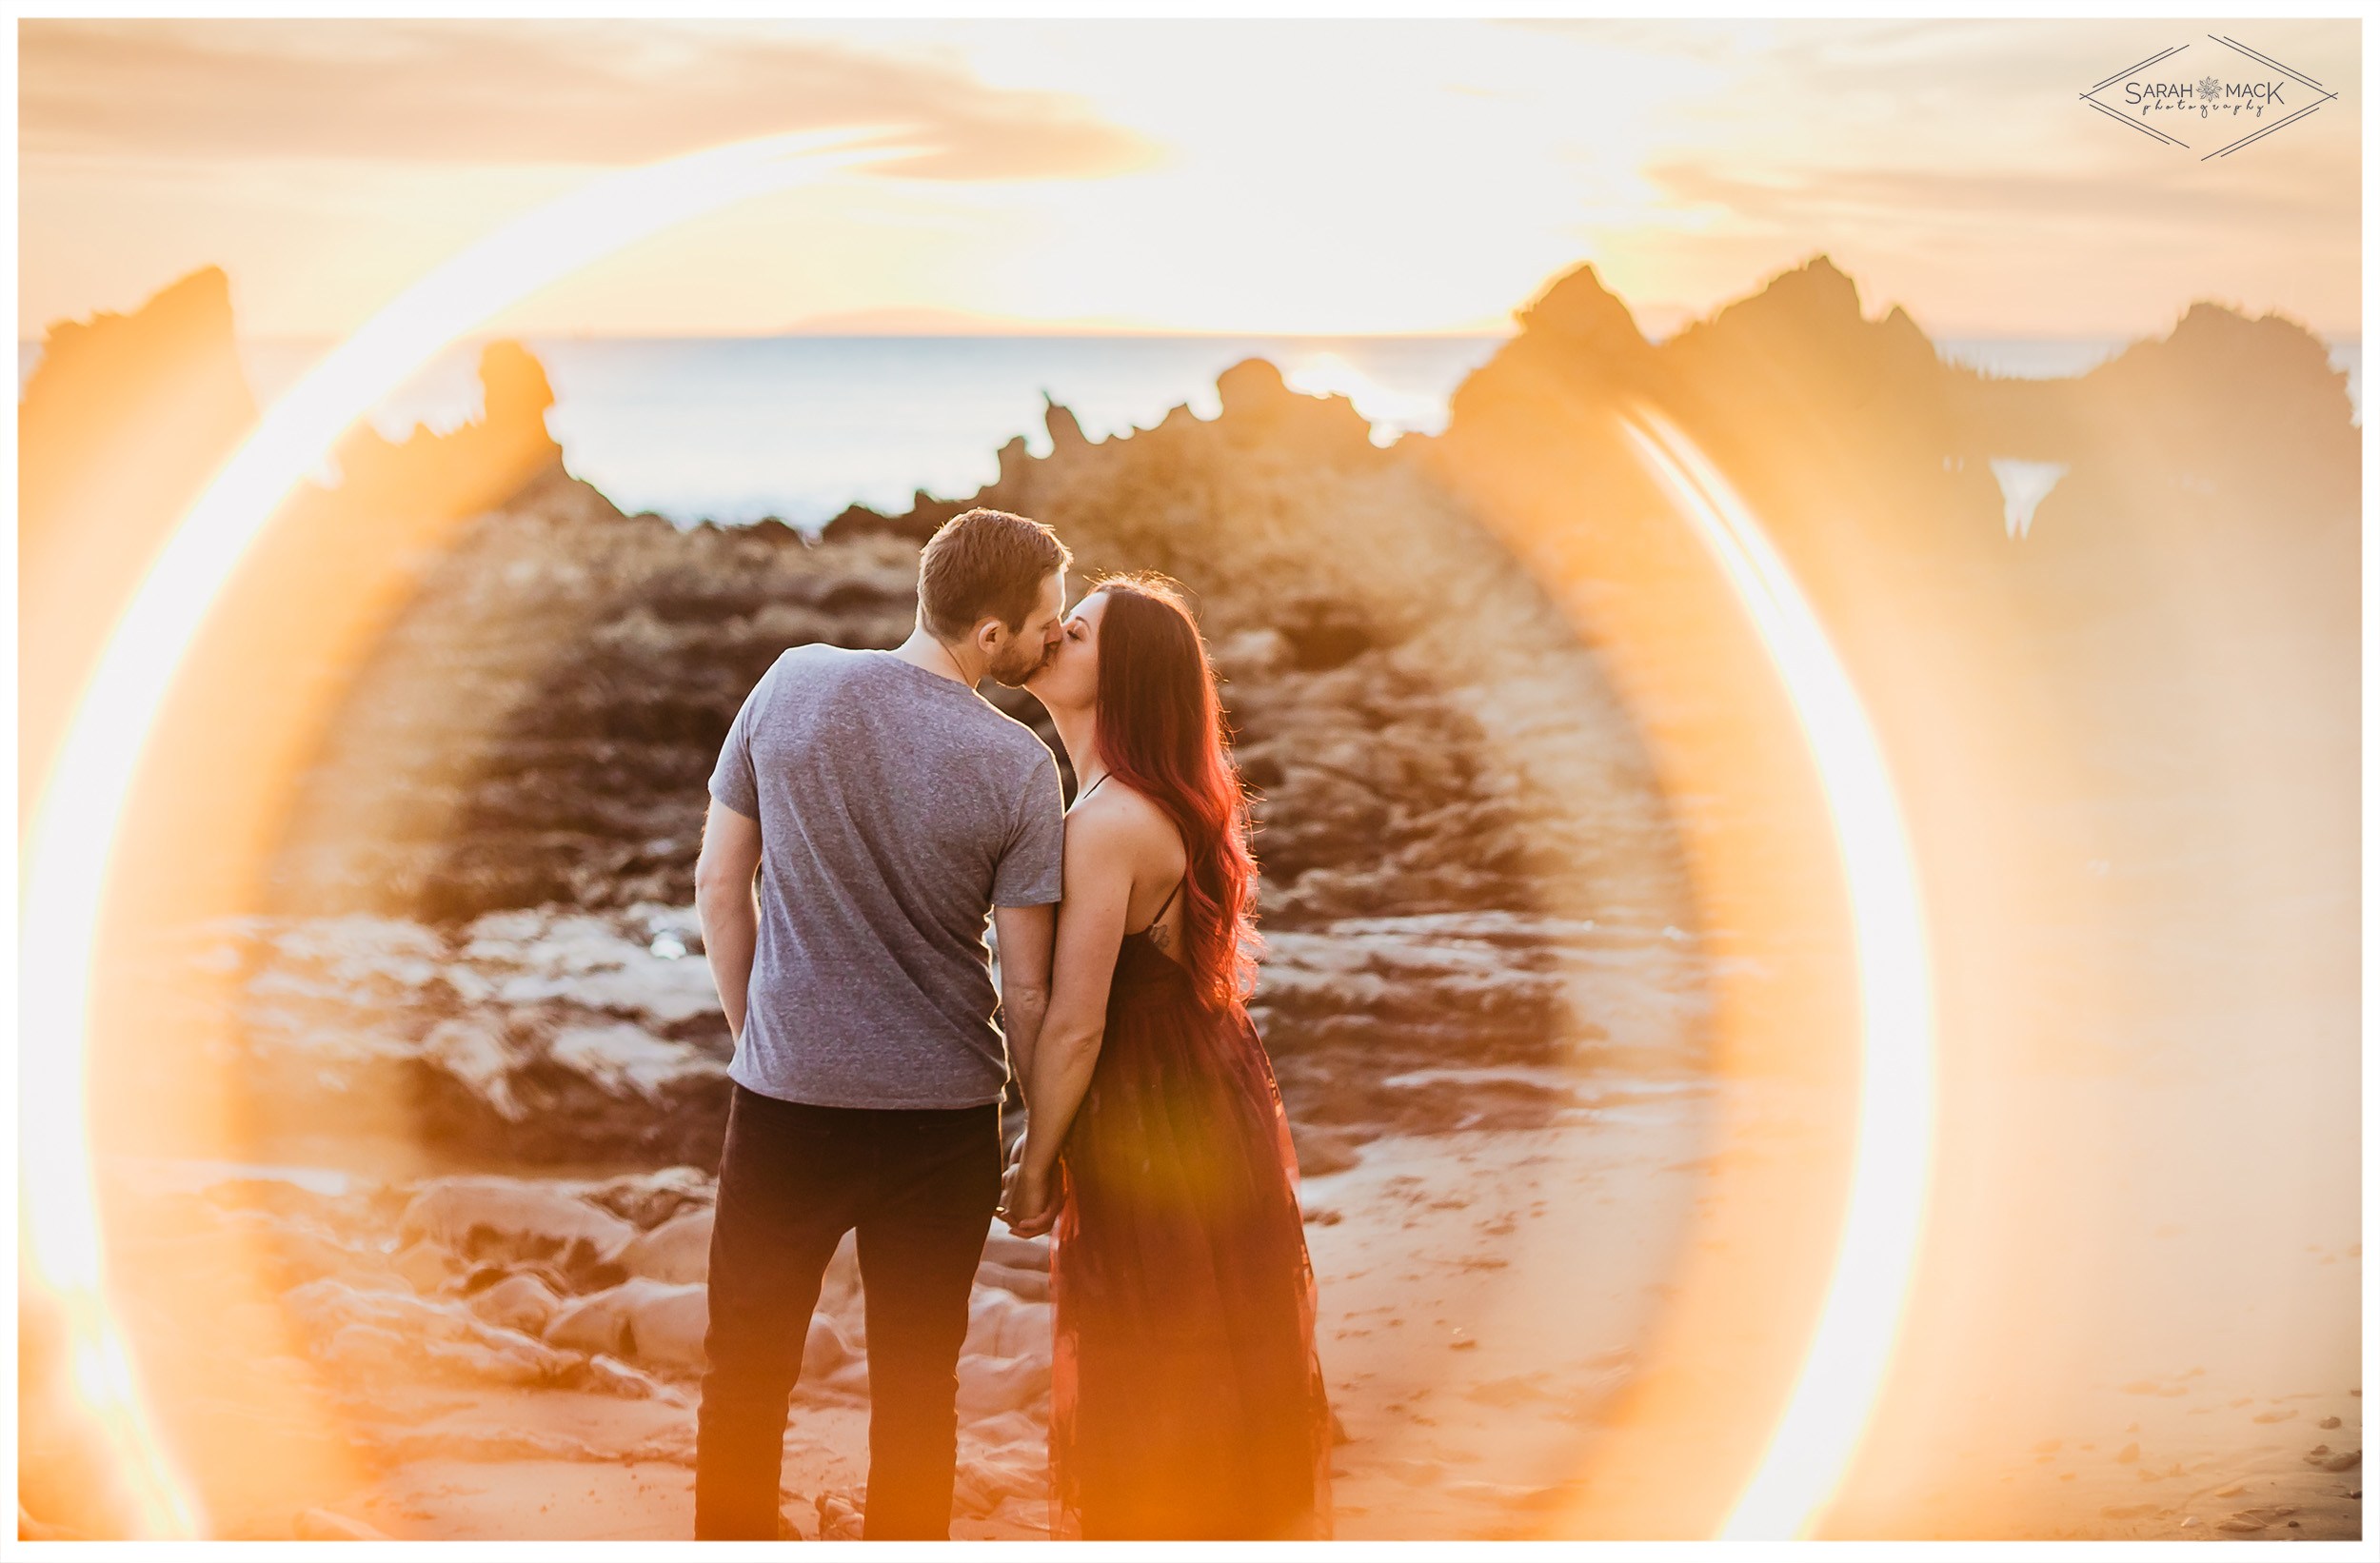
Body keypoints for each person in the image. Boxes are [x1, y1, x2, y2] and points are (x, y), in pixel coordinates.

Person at [690, 506, 1072, 1540]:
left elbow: (722, 888)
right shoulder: (1018, 766)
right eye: (1046, 621)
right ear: (990, 637)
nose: (1055, 640)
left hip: (784, 1109)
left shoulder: (790, 683)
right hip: (940, 1123)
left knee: (746, 1374)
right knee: (917, 1392)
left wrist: (758, 1039)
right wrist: (1039, 1142)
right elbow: (1028, 990)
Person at [1000, 573, 1334, 1540]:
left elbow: (1074, 1024)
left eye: (1078, 630)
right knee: (1213, 1357)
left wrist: (1034, 1162)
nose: (1053, 635)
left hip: (1152, 1111)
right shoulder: (1152, 800)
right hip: (1203, 1086)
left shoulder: (1101, 823)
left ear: (1127, 674)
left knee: (1158, 1368)